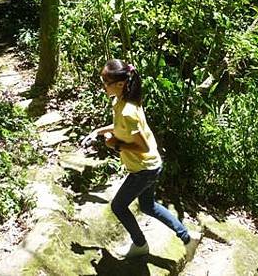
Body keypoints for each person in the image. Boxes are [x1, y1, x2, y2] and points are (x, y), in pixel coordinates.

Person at [82, 59, 200, 259]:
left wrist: (116, 145)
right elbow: (119, 128)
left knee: (118, 206)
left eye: (106, 82)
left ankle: (140, 244)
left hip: (144, 169)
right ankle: (187, 237)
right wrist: (98, 132)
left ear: (119, 84)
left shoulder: (128, 111)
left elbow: (142, 146)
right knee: (148, 206)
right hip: (151, 166)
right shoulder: (121, 101)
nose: (103, 85)